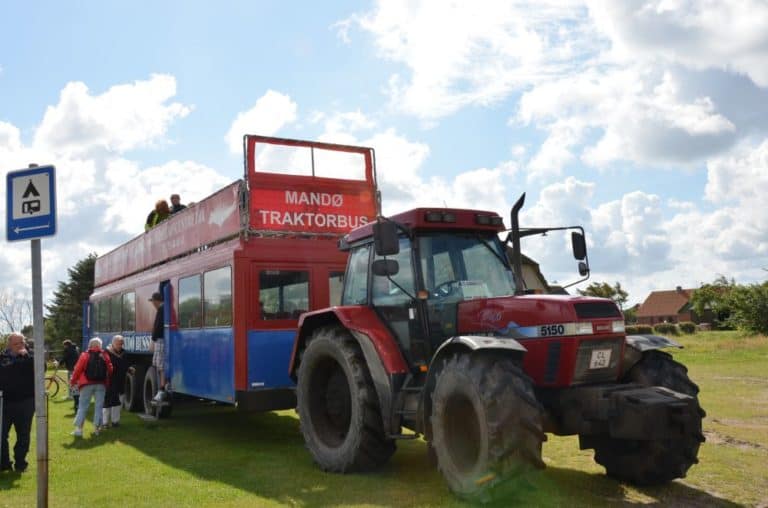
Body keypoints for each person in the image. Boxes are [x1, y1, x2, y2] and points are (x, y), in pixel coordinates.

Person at [0, 333, 34, 473]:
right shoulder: (2, 358)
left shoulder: (31, 357)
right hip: (5, 402)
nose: (20, 345)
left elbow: (40, 369)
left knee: (23, 434)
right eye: (16, 343)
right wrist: (19, 363)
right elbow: (7, 373)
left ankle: (20, 463)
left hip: (26, 402)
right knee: (2, 434)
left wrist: (25, 357)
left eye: (22, 342)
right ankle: (4, 463)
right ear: (9, 345)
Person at [70, 337, 113, 437]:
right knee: (99, 407)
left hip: (86, 384)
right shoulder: (105, 355)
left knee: (82, 407)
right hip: (101, 384)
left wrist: (73, 381)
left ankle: (79, 430)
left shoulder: (85, 355)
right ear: (100, 345)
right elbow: (110, 369)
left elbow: (77, 370)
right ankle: (97, 430)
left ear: (90, 345)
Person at [102, 335, 130, 428]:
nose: (120, 346)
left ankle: (115, 421)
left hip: (120, 382)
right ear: (113, 343)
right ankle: (105, 422)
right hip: (109, 383)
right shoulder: (106, 353)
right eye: (118, 344)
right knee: (107, 403)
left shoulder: (124, 353)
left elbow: (125, 365)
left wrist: (129, 369)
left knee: (118, 403)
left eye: (121, 344)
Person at [149, 292, 168, 402]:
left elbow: (158, 326)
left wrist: (153, 339)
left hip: (160, 340)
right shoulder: (165, 308)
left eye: (152, 302)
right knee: (159, 364)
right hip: (161, 339)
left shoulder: (161, 309)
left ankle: (161, 389)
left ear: (155, 300)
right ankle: (162, 387)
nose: (153, 304)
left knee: (160, 365)